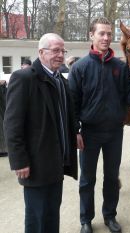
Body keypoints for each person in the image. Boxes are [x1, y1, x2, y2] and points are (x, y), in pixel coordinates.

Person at [68, 17, 130, 233]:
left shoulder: (120, 66)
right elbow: (72, 103)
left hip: (114, 132)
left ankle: (110, 216)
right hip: (89, 133)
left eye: (109, 34)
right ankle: (86, 220)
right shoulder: (79, 68)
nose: (106, 37)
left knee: (111, 177)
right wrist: (76, 130)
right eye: (102, 33)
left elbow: (129, 94)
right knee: (87, 179)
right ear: (91, 35)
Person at [3, 33, 78, 233]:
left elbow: (66, 115)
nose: (60, 55)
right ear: (41, 52)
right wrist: (19, 160)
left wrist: (75, 133)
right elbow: (12, 124)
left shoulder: (61, 81)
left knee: (52, 214)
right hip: (35, 164)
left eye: (63, 51)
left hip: (57, 162)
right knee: (36, 218)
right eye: (55, 50)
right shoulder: (24, 78)